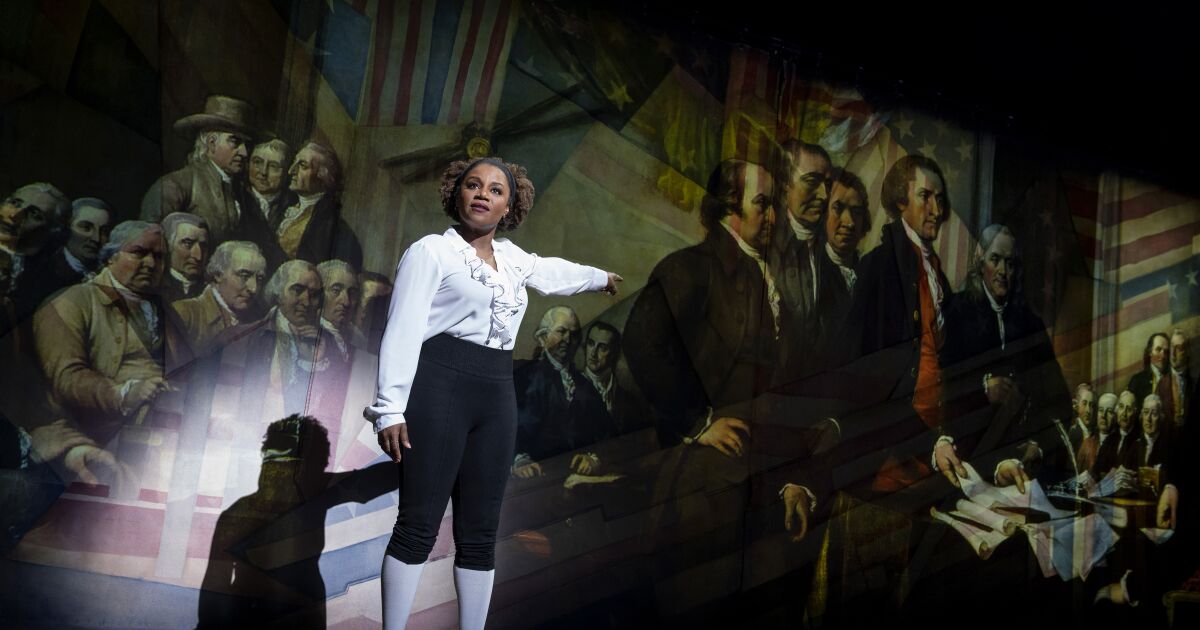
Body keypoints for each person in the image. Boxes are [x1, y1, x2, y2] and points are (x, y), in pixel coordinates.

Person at [365, 157, 620, 629]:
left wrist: (599, 277)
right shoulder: (431, 252)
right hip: (439, 387)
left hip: (497, 396)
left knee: (481, 533)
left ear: (509, 206)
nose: (483, 193)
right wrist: (389, 410)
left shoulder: (513, 259)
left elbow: (552, 272)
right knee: (418, 525)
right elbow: (402, 330)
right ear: (457, 194)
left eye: (496, 189)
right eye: (473, 185)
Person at [140, 95, 258, 243]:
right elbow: (149, 241)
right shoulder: (175, 185)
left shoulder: (243, 194)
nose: (244, 152)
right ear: (211, 143)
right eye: (235, 142)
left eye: (247, 145)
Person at [511, 306, 612, 479]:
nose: (568, 339)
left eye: (574, 334)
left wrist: (593, 457)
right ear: (543, 337)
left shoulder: (585, 386)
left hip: (578, 477)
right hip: (536, 478)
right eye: (561, 331)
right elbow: (507, 428)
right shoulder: (524, 378)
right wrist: (519, 460)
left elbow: (607, 434)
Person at [10, 196, 112, 318]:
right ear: (67, 229)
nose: (96, 238)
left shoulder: (107, 274)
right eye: (86, 227)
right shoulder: (42, 272)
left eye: (104, 232)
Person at [274, 140, 363, 270]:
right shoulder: (282, 208)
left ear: (323, 176)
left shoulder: (334, 228)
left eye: (303, 165)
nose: (291, 171)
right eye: (294, 162)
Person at [172, 240, 266, 357]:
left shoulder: (259, 322)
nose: (253, 288)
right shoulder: (185, 314)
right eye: (244, 276)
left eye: (259, 279)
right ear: (218, 275)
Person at [160, 212, 210, 304]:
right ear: (168, 245)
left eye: (203, 247)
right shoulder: (156, 288)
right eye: (188, 244)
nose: (198, 256)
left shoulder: (212, 290)